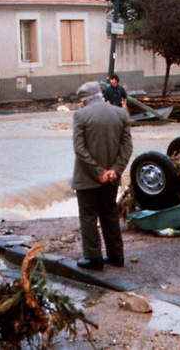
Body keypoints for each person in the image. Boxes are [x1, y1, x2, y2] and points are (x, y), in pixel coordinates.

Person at [71, 81, 133, 270]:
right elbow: (127, 147)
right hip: (113, 178)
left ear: (85, 100)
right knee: (110, 215)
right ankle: (116, 256)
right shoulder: (120, 113)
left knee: (88, 217)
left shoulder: (81, 115)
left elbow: (79, 149)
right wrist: (115, 170)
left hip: (88, 178)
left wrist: (99, 173)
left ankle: (93, 257)